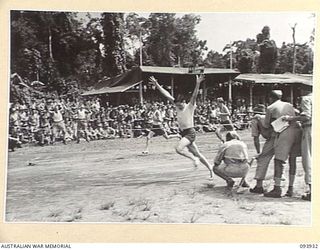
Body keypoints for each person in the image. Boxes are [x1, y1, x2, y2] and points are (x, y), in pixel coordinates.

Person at [148, 75, 213, 178]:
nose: (178, 107)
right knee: (198, 153)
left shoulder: (190, 106)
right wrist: (157, 85)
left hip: (190, 132)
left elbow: (194, 96)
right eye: (177, 105)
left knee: (178, 149)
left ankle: (193, 159)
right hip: (183, 133)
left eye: (180, 105)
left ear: (184, 102)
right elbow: (167, 95)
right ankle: (211, 169)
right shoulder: (177, 105)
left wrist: (198, 83)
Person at [262, 90, 302, 198]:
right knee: (292, 160)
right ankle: (291, 188)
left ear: (270, 98)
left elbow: (266, 125)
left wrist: (258, 118)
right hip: (297, 131)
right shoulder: (289, 105)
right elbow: (297, 113)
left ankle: (277, 188)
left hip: (284, 132)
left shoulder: (270, 107)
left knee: (279, 160)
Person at [282, 85, 312, 201]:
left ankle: (312, 191)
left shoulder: (306, 98)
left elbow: (306, 116)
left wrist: (290, 118)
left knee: (308, 160)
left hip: (310, 128)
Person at [249, 104, 274, 194]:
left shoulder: (255, 120)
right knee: (282, 160)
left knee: (262, 160)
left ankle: (259, 186)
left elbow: (256, 138)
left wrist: (259, 152)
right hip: (283, 136)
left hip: (272, 138)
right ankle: (285, 186)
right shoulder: (270, 115)